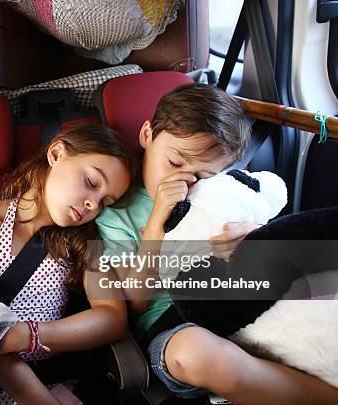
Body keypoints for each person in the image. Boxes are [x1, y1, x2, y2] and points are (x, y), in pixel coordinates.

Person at [95, 83, 338, 404]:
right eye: (175, 162)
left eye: (203, 174)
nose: (184, 180)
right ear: (147, 135)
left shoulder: (218, 193)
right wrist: (155, 224)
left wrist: (253, 234)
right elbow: (136, 302)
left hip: (238, 300)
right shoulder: (117, 211)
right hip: (170, 323)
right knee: (193, 354)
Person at [0, 124, 135, 404]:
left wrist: (30, 335)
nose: (92, 204)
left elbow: (113, 318)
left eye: (104, 202)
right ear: (57, 153)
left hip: (56, 383)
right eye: (91, 182)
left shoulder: (86, 241)